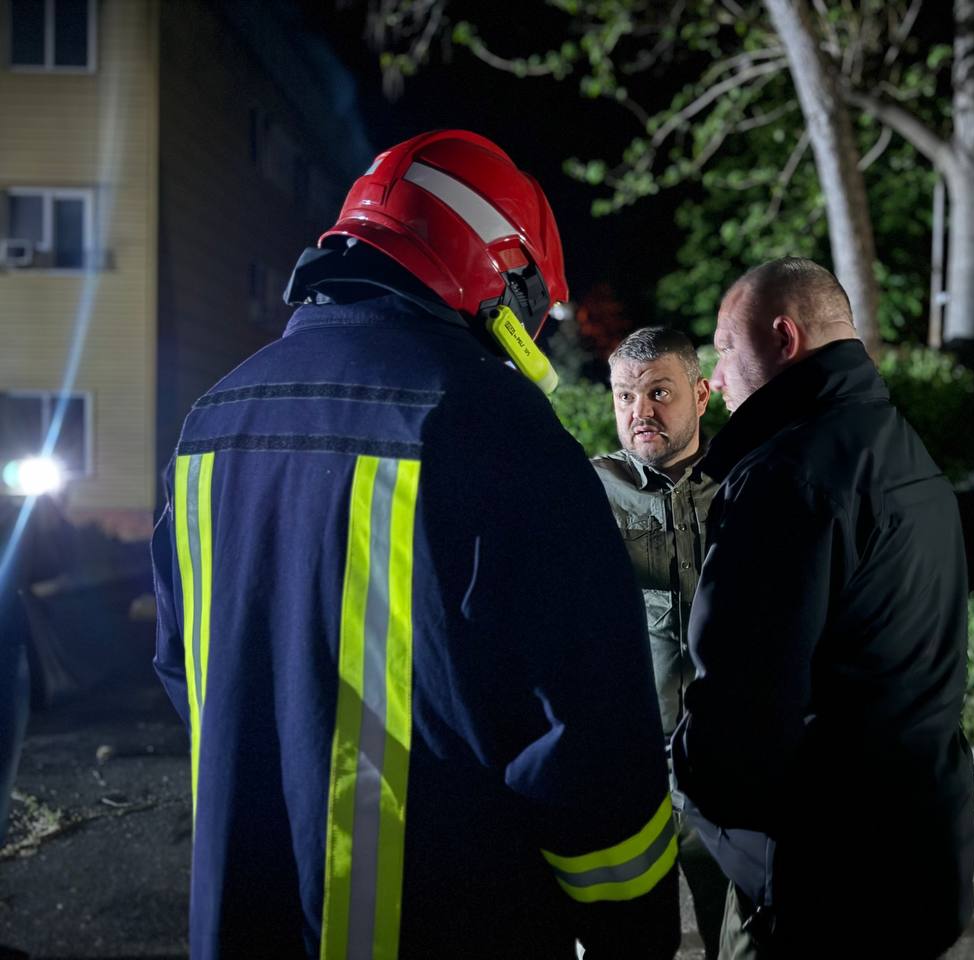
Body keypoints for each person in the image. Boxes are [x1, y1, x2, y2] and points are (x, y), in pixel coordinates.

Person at [151, 130, 679, 959]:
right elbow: (590, 747)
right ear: (501, 279)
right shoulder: (502, 432)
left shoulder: (208, 424)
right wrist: (634, 931)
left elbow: (189, 671)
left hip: (242, 918)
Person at [672, 257, 974, 958]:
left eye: (722, 347)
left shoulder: (788, 476)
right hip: (923, 848)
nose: (714, 378)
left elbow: (741, 709)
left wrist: (684, 777)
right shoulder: (901, 449)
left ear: (783, 337)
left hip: (831, 875)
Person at [591, 327, 729, 954]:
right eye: (625, 397)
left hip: (727, 769)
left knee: (738, 937)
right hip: (625, 770)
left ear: (701, 395)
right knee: (626, 946)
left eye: (659, 392)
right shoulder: (586, 493)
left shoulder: (747, 485)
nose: (640, 412)